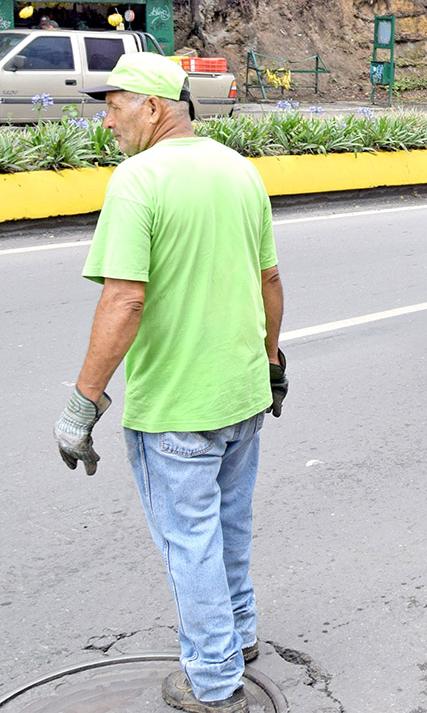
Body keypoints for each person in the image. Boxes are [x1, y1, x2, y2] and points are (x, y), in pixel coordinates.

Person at [52, 52, 287, 713]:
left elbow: (124, 301)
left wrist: (80, 407)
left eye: (114, 104)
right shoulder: (241, 171)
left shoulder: (138, 180)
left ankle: (214, 682)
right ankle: (238, 639)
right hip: (243, 397)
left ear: (153, 107)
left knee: (191, 544)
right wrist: (271, 365)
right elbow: (269, 280)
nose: (107, 121)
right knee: (229, 526)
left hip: (178, 409)